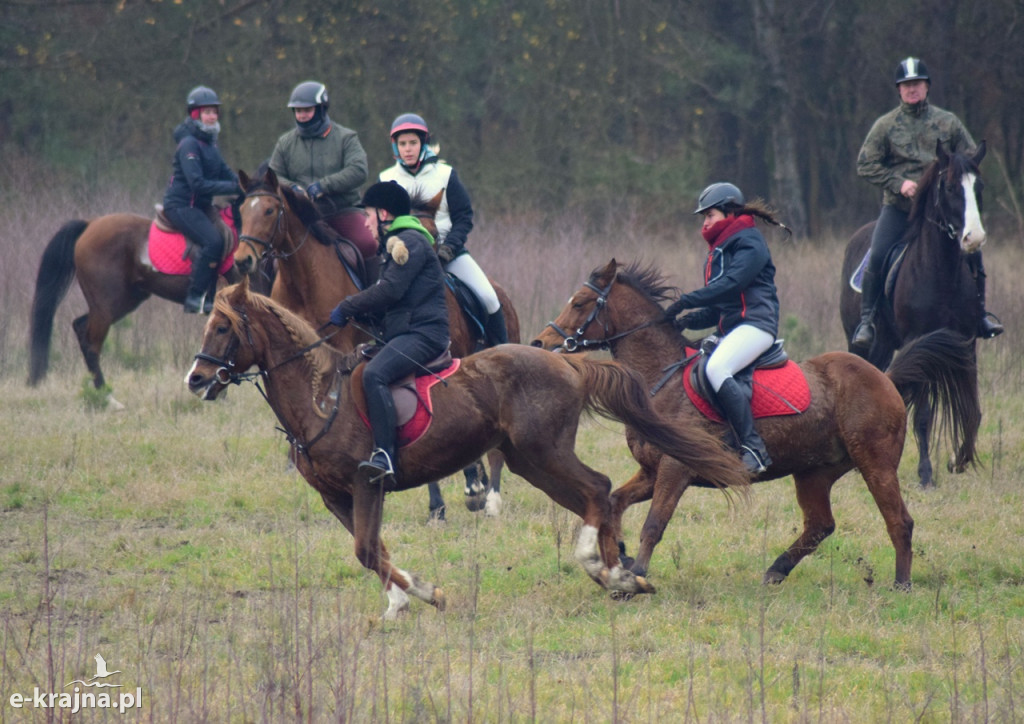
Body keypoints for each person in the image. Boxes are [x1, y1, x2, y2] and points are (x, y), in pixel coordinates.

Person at [851, 56, 1002, 350]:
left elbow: (970, 158)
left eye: (917, 84)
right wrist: (899, 183)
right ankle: (868, 320)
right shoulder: (885, 126)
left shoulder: (948, 122)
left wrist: (959, 177)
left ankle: (981, 315)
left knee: (973, 249)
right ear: (899, 90)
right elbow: (865, 164)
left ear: (927, 86)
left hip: (943, 211)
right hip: (900, 209)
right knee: (879, 252)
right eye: (906, 85)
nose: (912, 89)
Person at [329, 181, 450, 482]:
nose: (365, 223)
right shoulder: (396, 244)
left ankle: (386, 456)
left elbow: (390, 291)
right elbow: (392, 303)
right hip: (407, 332)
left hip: (424, 335)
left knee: (375, 375)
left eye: (367, 215)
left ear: (383, 214)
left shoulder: (409, 242)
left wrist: (348, 306)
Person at [665, 182, 785, 474]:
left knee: (716, 369)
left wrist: (684, 301)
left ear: (729, 213)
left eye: (710, 216)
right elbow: (722, 306)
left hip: (756, 325)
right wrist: (686, 320)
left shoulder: (750, 242)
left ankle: (754, 448)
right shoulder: (722, 248)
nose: (705, 223)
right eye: (703, 217)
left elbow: (731, 285)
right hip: (734, 329)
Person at [379, 113, 508, 347]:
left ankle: (502, 351)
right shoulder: (386, 179)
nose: (408, 149)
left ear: (423, 143)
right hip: (403, 258)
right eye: (402, 144)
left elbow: (464, 217)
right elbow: (382, 224)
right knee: (377, 300)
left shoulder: (445, 173)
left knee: (489, 297)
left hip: (447, 253)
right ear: (396, 147)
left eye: (413, 143)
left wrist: (449, 247)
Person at [269, 81, 379, 282]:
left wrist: (324, 186)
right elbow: (273, 174)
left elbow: (359, 170)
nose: (301, 115)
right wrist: (291, 188)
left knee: (368, 243)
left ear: (321, 109)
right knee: (268, 252)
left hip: (342, 210)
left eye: (307, 110)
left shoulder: (346, 138)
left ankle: (374, 302)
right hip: (300, 215)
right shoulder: (285, 142)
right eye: (298, 111)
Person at [162, 85, 242, 313]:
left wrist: (246, 186)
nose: (212, 116)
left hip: (201, 205)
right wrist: (231, 187)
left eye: (214, 112)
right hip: (182, 206)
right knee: (214, 241)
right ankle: (196, 296)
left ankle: (210, 299)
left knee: (229, 234)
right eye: (207, 112)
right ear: (195, 114)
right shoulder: (189, 144)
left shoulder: (210, 144)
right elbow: (197, 183)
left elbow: (226, 172)